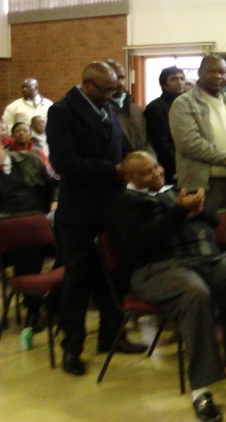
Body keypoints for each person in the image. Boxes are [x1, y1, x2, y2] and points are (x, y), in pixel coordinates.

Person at [106, 151, 226, 422]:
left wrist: (201, 211)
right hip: (159, 269)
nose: (157, 172)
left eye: (157, 166)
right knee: (195, 295)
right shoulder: (123, 204)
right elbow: (140, 245)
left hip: (209, 259)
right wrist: (178, 211)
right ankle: (201, 390)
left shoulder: (175, 190)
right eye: (147, 172)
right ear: (129, 177)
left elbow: (215, 221)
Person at [48, 61, 146, 376]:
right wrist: (114, 171)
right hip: (79, 209)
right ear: (87, 84)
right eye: (105, 90)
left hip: (112, 206)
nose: (110, 95)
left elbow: (119, 150)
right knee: (79, 279)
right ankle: (72, 347)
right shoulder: (62, 111)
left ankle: (112, 335)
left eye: (113, 90)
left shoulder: (109, 108)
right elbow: (65, 162)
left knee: (114, 276)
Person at [169, 55, 226, 212]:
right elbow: (189, 143)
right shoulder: (184, 103)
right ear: (199, 73)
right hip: (205, 185)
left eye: (222, 72)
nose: (218, 76)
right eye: (212, 71)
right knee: (210, 227)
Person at [0, 142, 59, 331]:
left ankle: (55, 300)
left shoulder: (30, 160)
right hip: (7, 232)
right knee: (26, 244)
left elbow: (54, 185)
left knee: (74, 244)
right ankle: (34, 307)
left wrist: (55, 202)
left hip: (40, 219)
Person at [144, 66, 186, 183]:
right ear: (164, 84)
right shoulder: (156, 107)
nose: (179, 82)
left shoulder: (187, 105)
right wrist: (177, 162)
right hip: (167, 166)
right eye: (174, 79)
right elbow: (160, 142)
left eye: (182, 78)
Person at [106, 60, 150, 156]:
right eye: (115, 78)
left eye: (122, 78)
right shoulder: (101, 108)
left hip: (140, 160)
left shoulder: (132, 103)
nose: (120, 83)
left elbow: (145, 136)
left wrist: (149, 156)